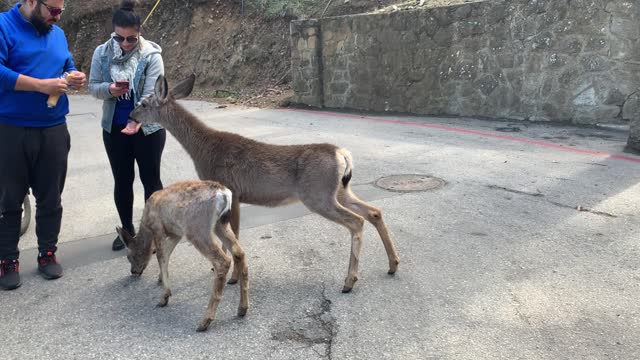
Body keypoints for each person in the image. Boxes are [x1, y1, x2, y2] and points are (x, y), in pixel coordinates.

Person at [0, 0, 87, 290]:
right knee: (9, 198)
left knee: (51, 196)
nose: (58, 16)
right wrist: (41, 85)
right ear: (31, 2)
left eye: (62, 10)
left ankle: (47, 253)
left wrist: (74, 76)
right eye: (53, 10)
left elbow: (66, 63)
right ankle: (7, 259)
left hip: (53, 128)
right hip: (11, 128)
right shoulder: (4, 26)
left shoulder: (57, 32)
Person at [88, 0, 166, 252]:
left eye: (130, 39)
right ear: (113, 32)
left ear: (139, 32)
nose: (124, 44)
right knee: (122, 180)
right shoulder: (101, 54)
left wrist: (136, 120)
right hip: (114, 130)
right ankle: (127, 230)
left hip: (148, 129)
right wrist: (110, 89)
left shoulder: (152, 56)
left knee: (151, 180)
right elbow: (93, 87)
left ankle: (152, 232)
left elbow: (151, 95)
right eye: (119, 38)